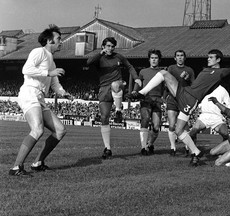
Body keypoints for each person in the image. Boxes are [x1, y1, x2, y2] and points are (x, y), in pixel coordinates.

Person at [126, 39, 230, 166]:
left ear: (218, 60)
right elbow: (196, 85)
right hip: (184, 92)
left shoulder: (220, 72)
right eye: (208, 57)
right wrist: (188, 79)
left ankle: (195, 152)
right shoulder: (205, 70)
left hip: (190, 100)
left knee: (178, 130)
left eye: (211, 57)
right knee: (163, 73)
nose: (208, 59)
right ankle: (196, 153)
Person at [9, 25, 74, 176]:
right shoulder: (39, 52)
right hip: (29, 93)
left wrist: (64, 93)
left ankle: (37, 163)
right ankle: (16, 167)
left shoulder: (52, 61)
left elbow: (55, 84)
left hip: (40, 97)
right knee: (37, 130)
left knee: (60, 130)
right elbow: (26, 69)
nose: (61, 42)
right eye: (59, 39)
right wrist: (48, 72)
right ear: (49, 40)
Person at [87, 37, 141, 159]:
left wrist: (136, 77)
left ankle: (118, 111)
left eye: (112, 46)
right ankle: (107, 148)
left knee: (115, 84)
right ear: (103, 47)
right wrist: (100, 53)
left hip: (118, 84)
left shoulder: (119, 57)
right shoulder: (99, 58)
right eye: (108, 46)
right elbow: (88, 62)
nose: (110, 48)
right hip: (104, 89)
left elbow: (130, 66)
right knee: (104, 117)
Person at [132, 49, 165, 155]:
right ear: (149, 59)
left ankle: (150, 144)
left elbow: (165, 87)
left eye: (156, 58)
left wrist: (163, 98)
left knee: (156, 126)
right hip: (145, 100)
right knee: (145, 119)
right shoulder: (143, 72)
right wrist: (134, 91)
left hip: (157, 101)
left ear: (159, 60)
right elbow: (138, 83)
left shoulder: (162, 73)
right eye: (152, 58)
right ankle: (143, 147)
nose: (154, 60)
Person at [166, 50, 195, 156]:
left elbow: (194, 85)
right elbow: (167, 82)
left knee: (185, 125)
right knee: (172, 124)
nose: (180, 57)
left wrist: (187, 79)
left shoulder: (189, 70)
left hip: (184, 99)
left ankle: (187, 147)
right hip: (172, 99)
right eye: (177, 56)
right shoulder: (171, 68)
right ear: (175, 58)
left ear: (185, 57)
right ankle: (173, 148)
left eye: (182, 55)